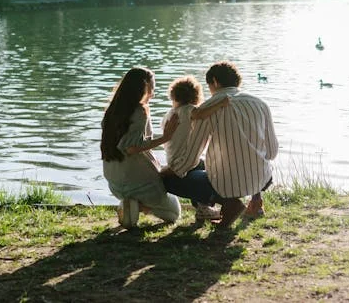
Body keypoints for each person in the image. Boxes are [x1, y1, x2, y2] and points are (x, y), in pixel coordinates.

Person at [162, 61, 278, 228]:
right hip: (263, 179)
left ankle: (229, 204)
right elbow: (272, 153)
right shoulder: (260, 104)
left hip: (227, 185)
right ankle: (255, 199)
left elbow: (190, 158)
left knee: (170, 180)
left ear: (215, 82)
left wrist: (167, 171)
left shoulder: (208, 108)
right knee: (250, 155)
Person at [128, 75, 229, 221]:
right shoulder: (188, 110)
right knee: (204, 166)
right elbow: (200, 114)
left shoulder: (169, 114)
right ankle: (204, 207)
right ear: (195, 96)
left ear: (173, 95)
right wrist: (220, 104)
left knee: (200, 163)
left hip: (172, 158)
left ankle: (203, 207)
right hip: (181, 160)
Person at [101, 67, 181, 229]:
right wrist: (166, 137)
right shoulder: (140, 111)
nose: (153, 92)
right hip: (138, 183)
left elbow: (126, 145)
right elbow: (131, 148)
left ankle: (132, 205)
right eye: (152, 87)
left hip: (114, 183)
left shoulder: (112, 110)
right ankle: (137, 206)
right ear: (144, 86)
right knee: (174, 214)